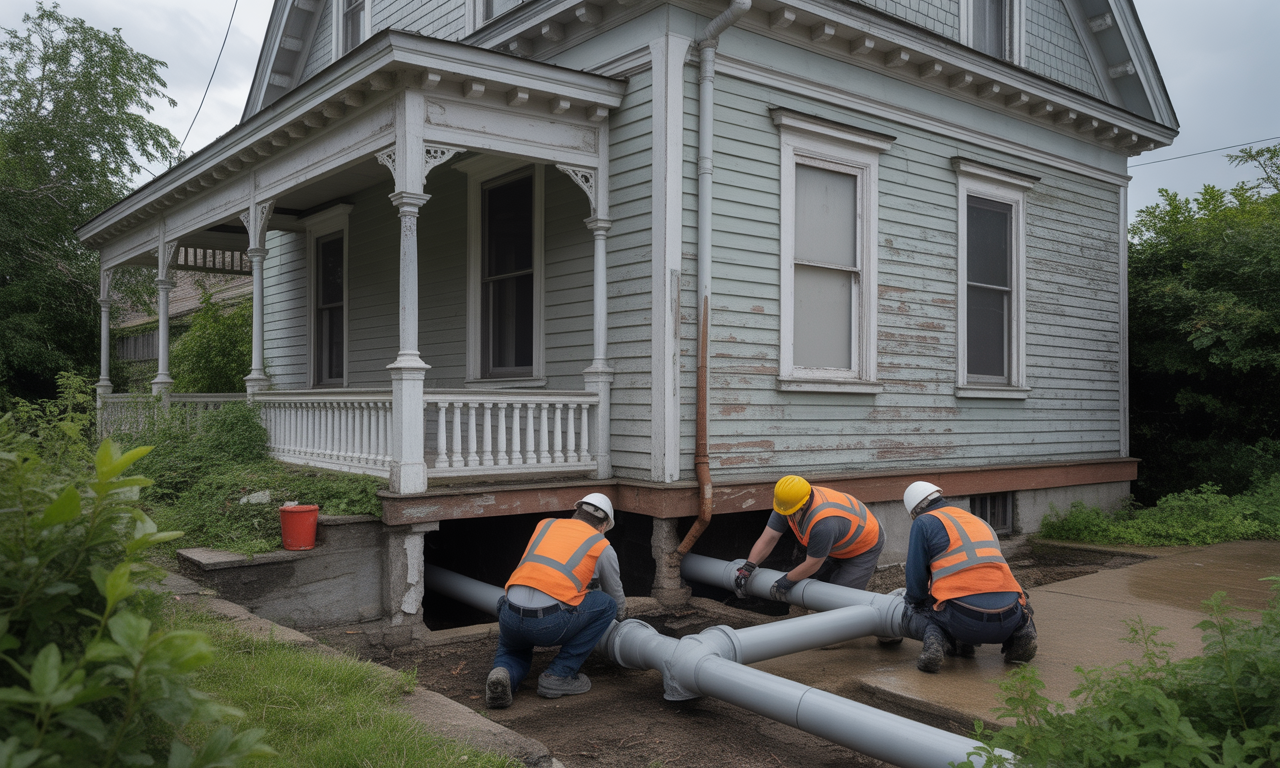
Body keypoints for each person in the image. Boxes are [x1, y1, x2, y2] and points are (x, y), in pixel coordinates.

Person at [485, 493, 626, 709]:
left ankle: (502, 674)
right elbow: (614, 593)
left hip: (509, 613)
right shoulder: (601, 545)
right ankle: (559, 675)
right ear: (604, 525)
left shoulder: (545, 525)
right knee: (608, 605)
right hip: (547, 625)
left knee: (514, 650)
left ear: (576, 512)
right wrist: (622, 619)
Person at [899, 481, 1038, 673]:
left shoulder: (923, 522)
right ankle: (1023, 632)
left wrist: (914, 602)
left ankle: (935, 640)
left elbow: (915, 580)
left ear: (914, 512)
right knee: (1022, 602)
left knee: (916, 607)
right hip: (1008, 617)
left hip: (963, 621)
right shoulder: (979, 521)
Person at [733, 475, 884, 601]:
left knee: (841, 599)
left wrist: (785, 581)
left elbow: (813, 563)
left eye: (791, 512)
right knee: (819, 584)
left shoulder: (824, 524)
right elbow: (769, 537)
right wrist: (748, 568)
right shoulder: (788, 503)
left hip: (864, 546)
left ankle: (878, 627)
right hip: (838, 540)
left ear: (804, 503)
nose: (787, 516)